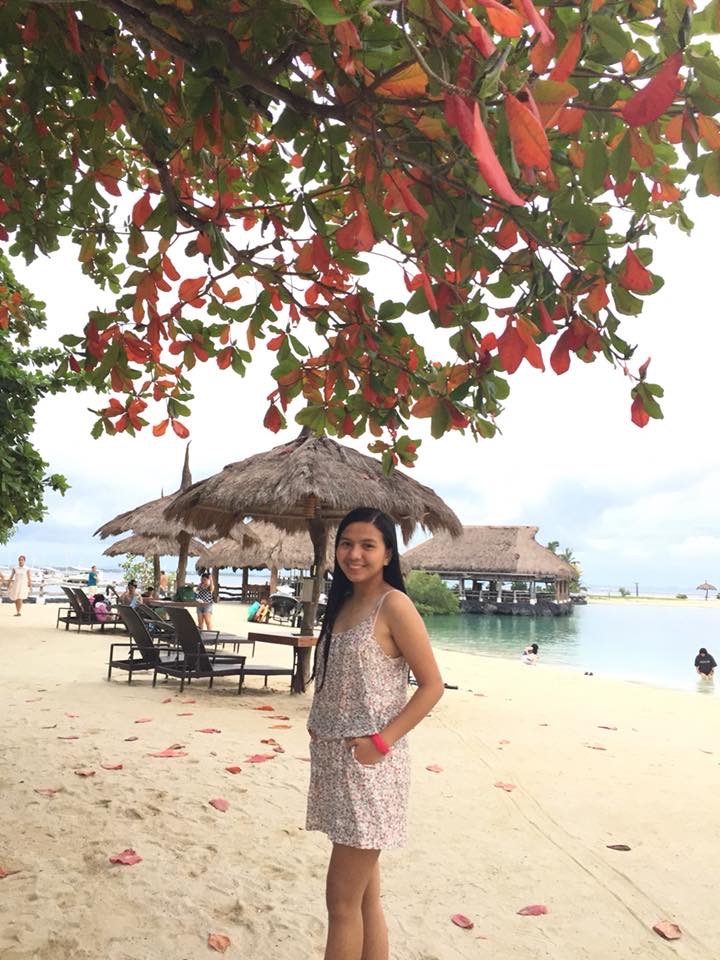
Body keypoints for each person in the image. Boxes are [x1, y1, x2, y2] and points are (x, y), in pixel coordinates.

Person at [306, 507, 444, 960]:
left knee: (340, 902)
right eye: (346, 543)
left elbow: (432, 685)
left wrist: (381, 743)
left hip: (370, 770)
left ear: (387, 554)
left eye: (368, 545)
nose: (354, 554)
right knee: (363, 897)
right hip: (336, 764)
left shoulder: (394, 605)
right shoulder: (344, 603)